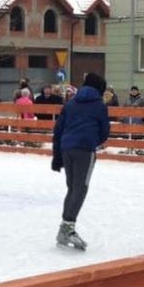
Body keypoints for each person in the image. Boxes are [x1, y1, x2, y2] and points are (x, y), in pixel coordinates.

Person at [51, 72, 110, 250]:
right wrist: (93, 141)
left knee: (72, 188)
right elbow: (104, 130)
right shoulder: (99, 105)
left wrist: (57, 155)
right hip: (84, 149)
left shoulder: (71, 103)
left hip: (66, 148)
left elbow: (58, 129)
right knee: (80, 188)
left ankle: (65, 227)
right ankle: (68, 228)